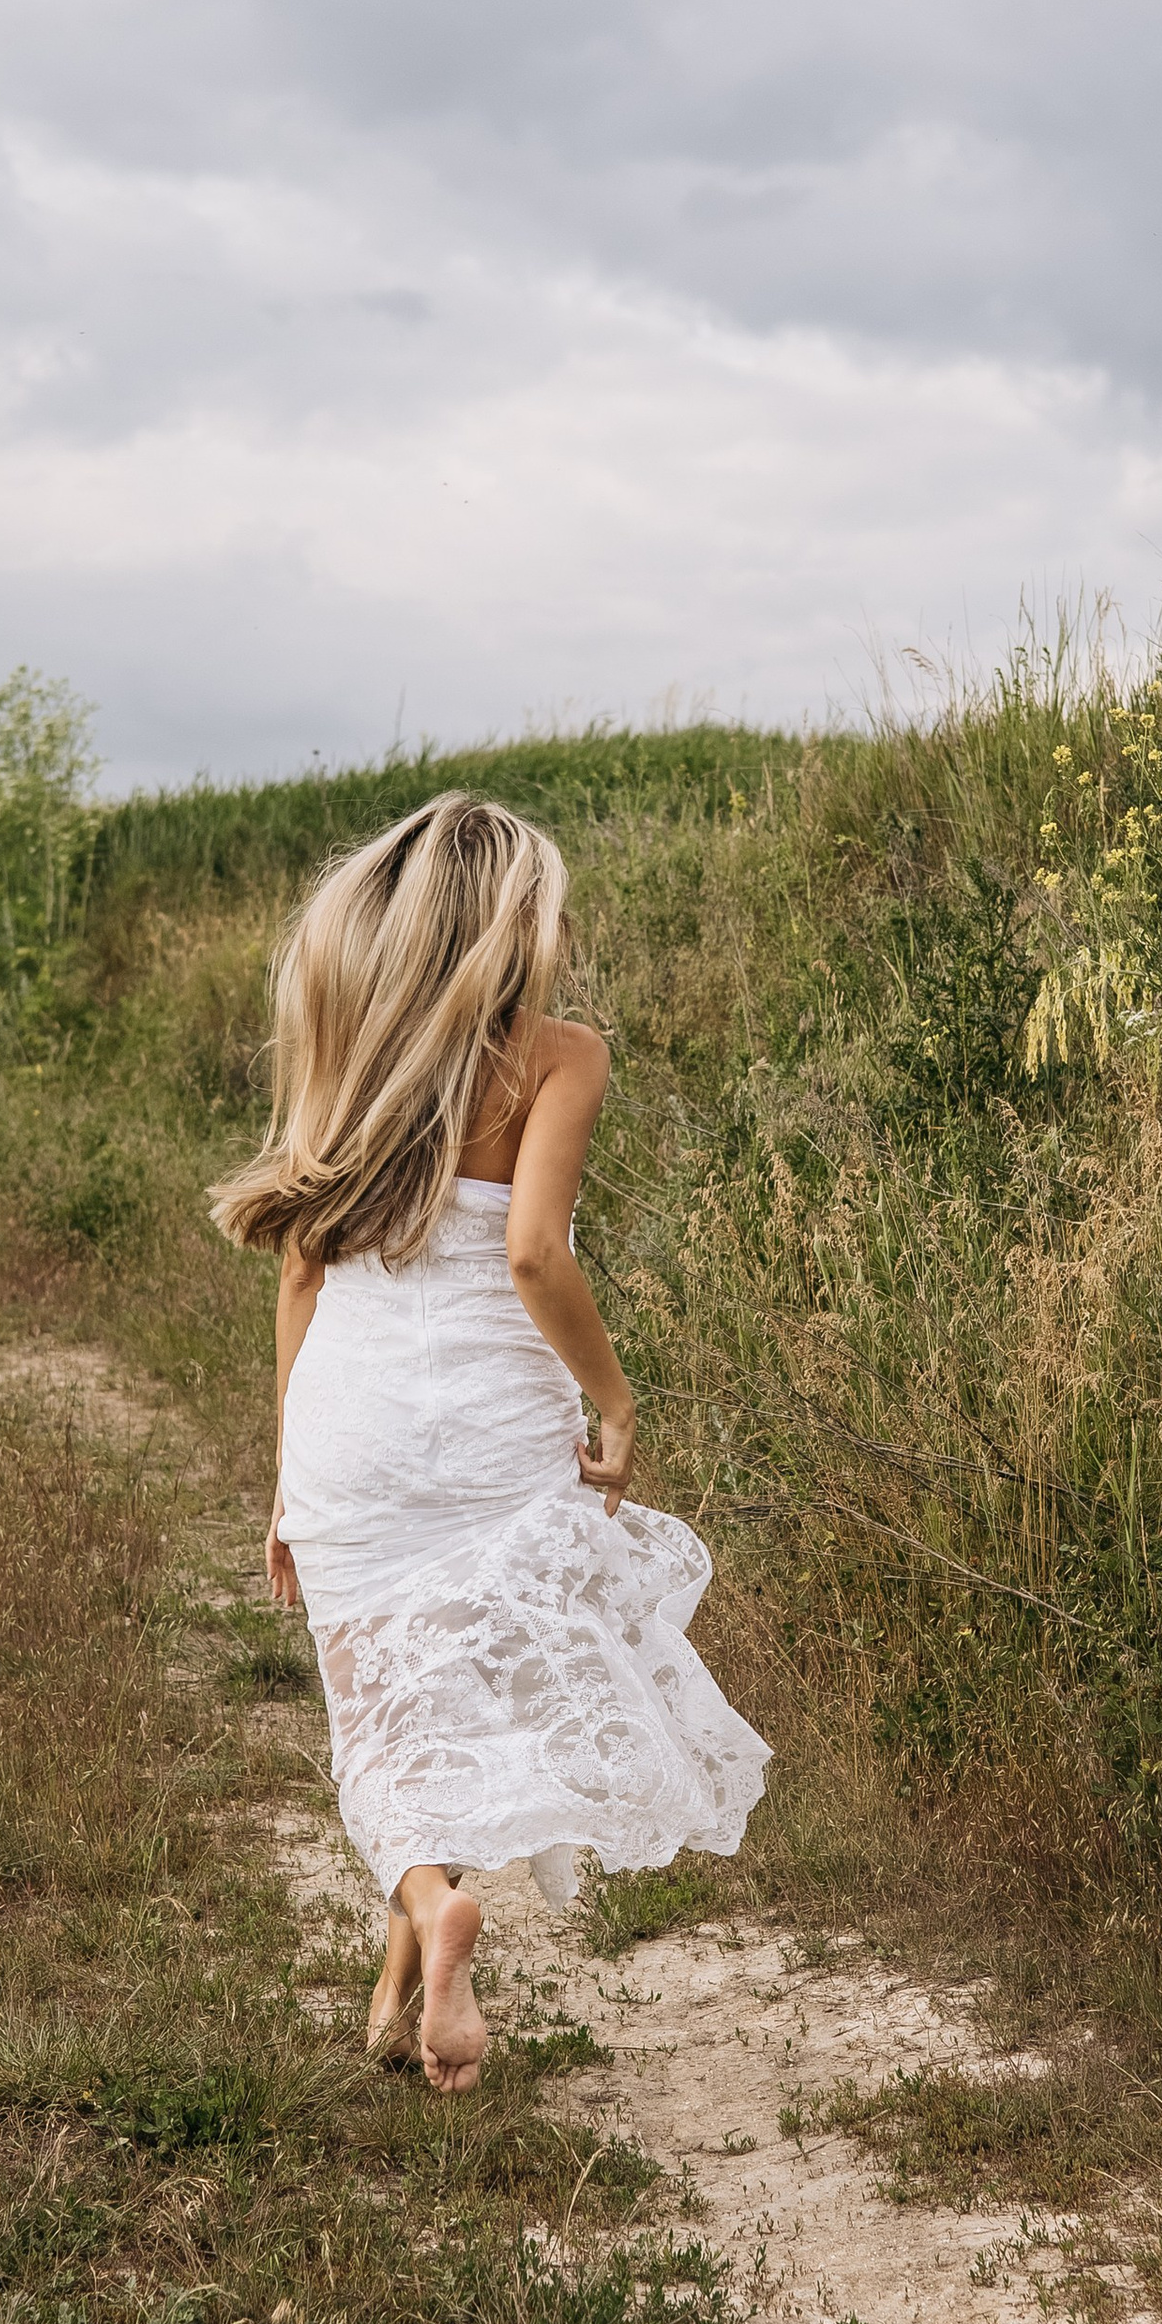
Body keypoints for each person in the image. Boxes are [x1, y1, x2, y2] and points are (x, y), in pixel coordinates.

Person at [208, 794, 770, 2092]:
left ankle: (421, 1913)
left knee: (383, 1717)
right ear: (519, 924)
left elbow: (301, 1270)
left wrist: (290, 1476)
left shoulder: (349, 1049)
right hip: (500, 1428)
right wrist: (615, 1403)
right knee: (462, 1692)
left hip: (351, 1423)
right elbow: (534, 1253)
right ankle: (419, 1947)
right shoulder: (563, 1054)